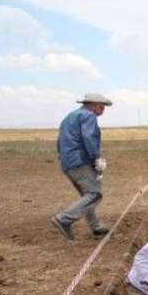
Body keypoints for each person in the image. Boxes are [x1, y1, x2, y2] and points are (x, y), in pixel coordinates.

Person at [51, 93, 112, 240]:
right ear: (94, 105)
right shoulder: (88, 116)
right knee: (94, 194)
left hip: (68, 163)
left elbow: (60, 142)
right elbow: (89, 137)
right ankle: (63, 219)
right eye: (102, 107)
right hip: (81, 161)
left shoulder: (69, 117)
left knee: (87, 195)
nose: (103, 110)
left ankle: (96, 227)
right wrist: (96, 158)